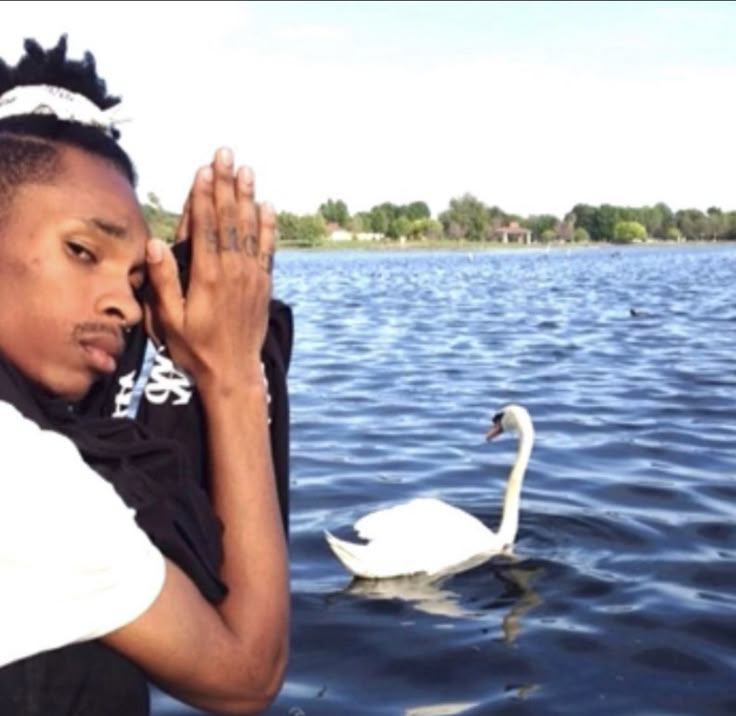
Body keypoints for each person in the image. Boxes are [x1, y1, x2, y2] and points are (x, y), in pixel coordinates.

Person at [0, 34, 289, 715]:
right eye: (82, 250)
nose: (126, 305)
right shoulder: (24, 479)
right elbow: (248, 674)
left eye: (137, 279)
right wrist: (233, 376)